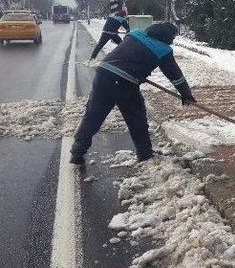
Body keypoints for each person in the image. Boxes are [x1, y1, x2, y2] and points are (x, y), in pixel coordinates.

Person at [71, 22, 195, 164]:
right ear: (166, 37)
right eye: (172, 37)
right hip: (125, 83)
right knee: (136, 119)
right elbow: (175, 75)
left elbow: (129, 53)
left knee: (93, 115)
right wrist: (186, 94)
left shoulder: (135, 34)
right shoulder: (163, 49)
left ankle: (77, 151)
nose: (173, 41)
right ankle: (145, 155)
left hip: (103, 74)